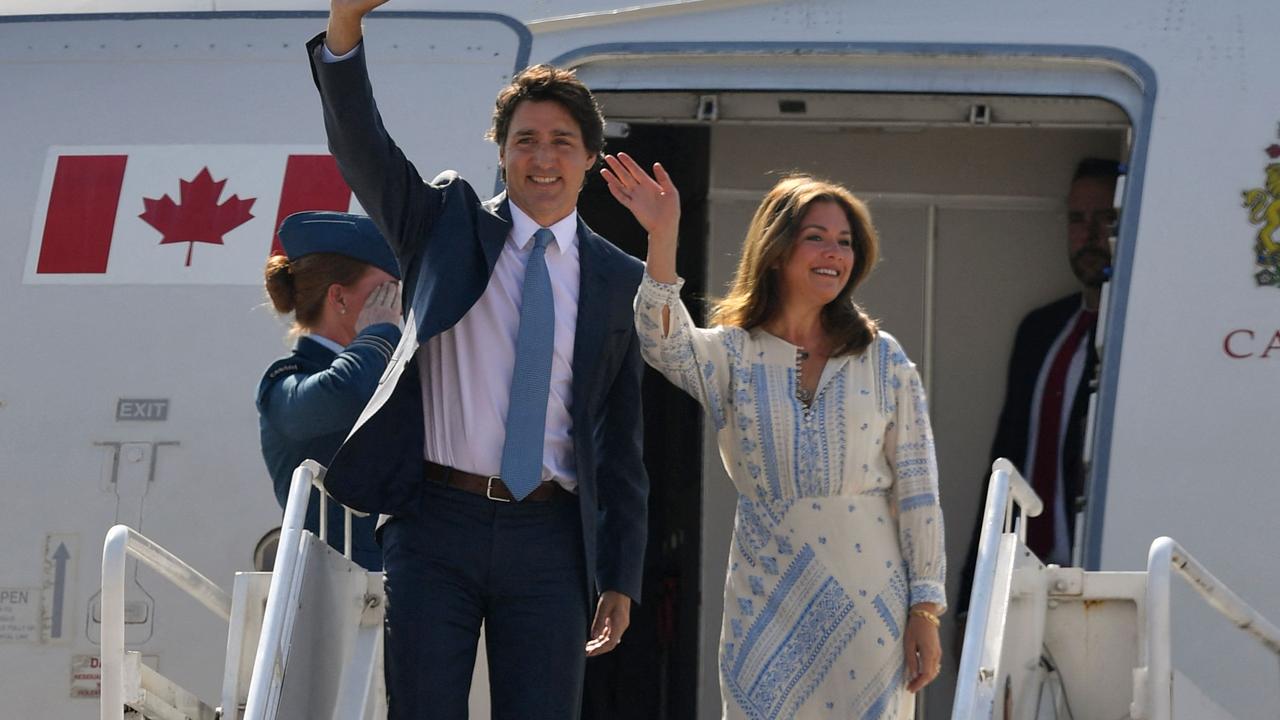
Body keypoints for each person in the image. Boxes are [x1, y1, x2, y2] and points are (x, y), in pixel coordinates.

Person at [306, 2, 649, 718]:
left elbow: (621, 439)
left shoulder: (617, 277)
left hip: (551, 538)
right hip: (436, 526)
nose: (542, 157)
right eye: (525, 140)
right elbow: (361, 147)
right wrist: (344, 27)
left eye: (561, 141)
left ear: (589, 156)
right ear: (501, 151)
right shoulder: (445, 225)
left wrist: (619, 573)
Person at [610, 157, 946, 719]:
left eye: (844, 241)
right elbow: (662, 344)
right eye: (816, 238)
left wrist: (926, 610)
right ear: (778, 248)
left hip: (871, 607)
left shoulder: (883, 359)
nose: (834, 253)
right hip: (767, 605)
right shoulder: (733, 353)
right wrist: (663, 234)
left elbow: (918, 491)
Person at [957, 158, 1121, 622]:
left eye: (1106, 219)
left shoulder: (1140, 337)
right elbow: (1005, 461)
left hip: (1097, 585)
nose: (1089, 234)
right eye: (1077, 219)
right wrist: (973, 593)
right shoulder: (1041, 331)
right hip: (1022, 581)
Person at [256, 210, 403, 571]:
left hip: (402, 584)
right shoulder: (286, 381)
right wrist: (378, 332)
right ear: (338, 298)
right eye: (384, 291)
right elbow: (348, 393)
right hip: (335, 594)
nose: (398, 306)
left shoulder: (383, 369)